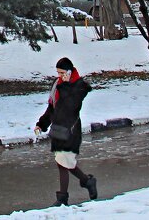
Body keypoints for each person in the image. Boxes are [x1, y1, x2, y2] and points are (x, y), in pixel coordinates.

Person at [34, 57, 98, 206]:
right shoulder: (57, 85)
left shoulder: (79, 86)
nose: (60, 76)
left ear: (69, 71)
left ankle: (62, 199)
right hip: (58, 129)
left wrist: (67, 84)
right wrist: (41, 124)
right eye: (58, 73)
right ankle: (87, 181)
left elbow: (71, 105)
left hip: (71, 130)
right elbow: (52, 108)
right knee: (65, 162)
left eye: (62, 72)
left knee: (63, 162)